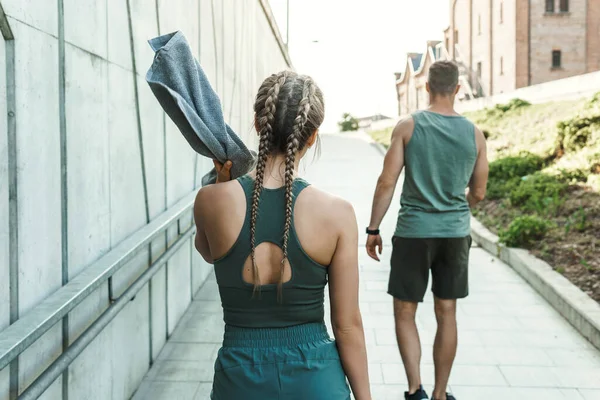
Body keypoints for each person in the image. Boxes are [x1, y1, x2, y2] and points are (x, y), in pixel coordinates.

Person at [194, 71, 371, 400]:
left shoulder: (210, 200)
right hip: (317, 380)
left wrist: (222, 183)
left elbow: (207, 250)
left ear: (258, 125)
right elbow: (347, 325)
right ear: (312, 136)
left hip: (239, 380)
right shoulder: (338, 214)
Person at [365, 61, 489, 400]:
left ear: (427, 87)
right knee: (446, 311)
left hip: (413, 233)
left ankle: (415, 389)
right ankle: (439, 394)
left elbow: (386, 181)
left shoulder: (408, 127)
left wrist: (373, 228)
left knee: (406, 310)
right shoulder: (474, 134)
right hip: (454, 233)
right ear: (458, 89)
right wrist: (456, 204)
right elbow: (478, 193)